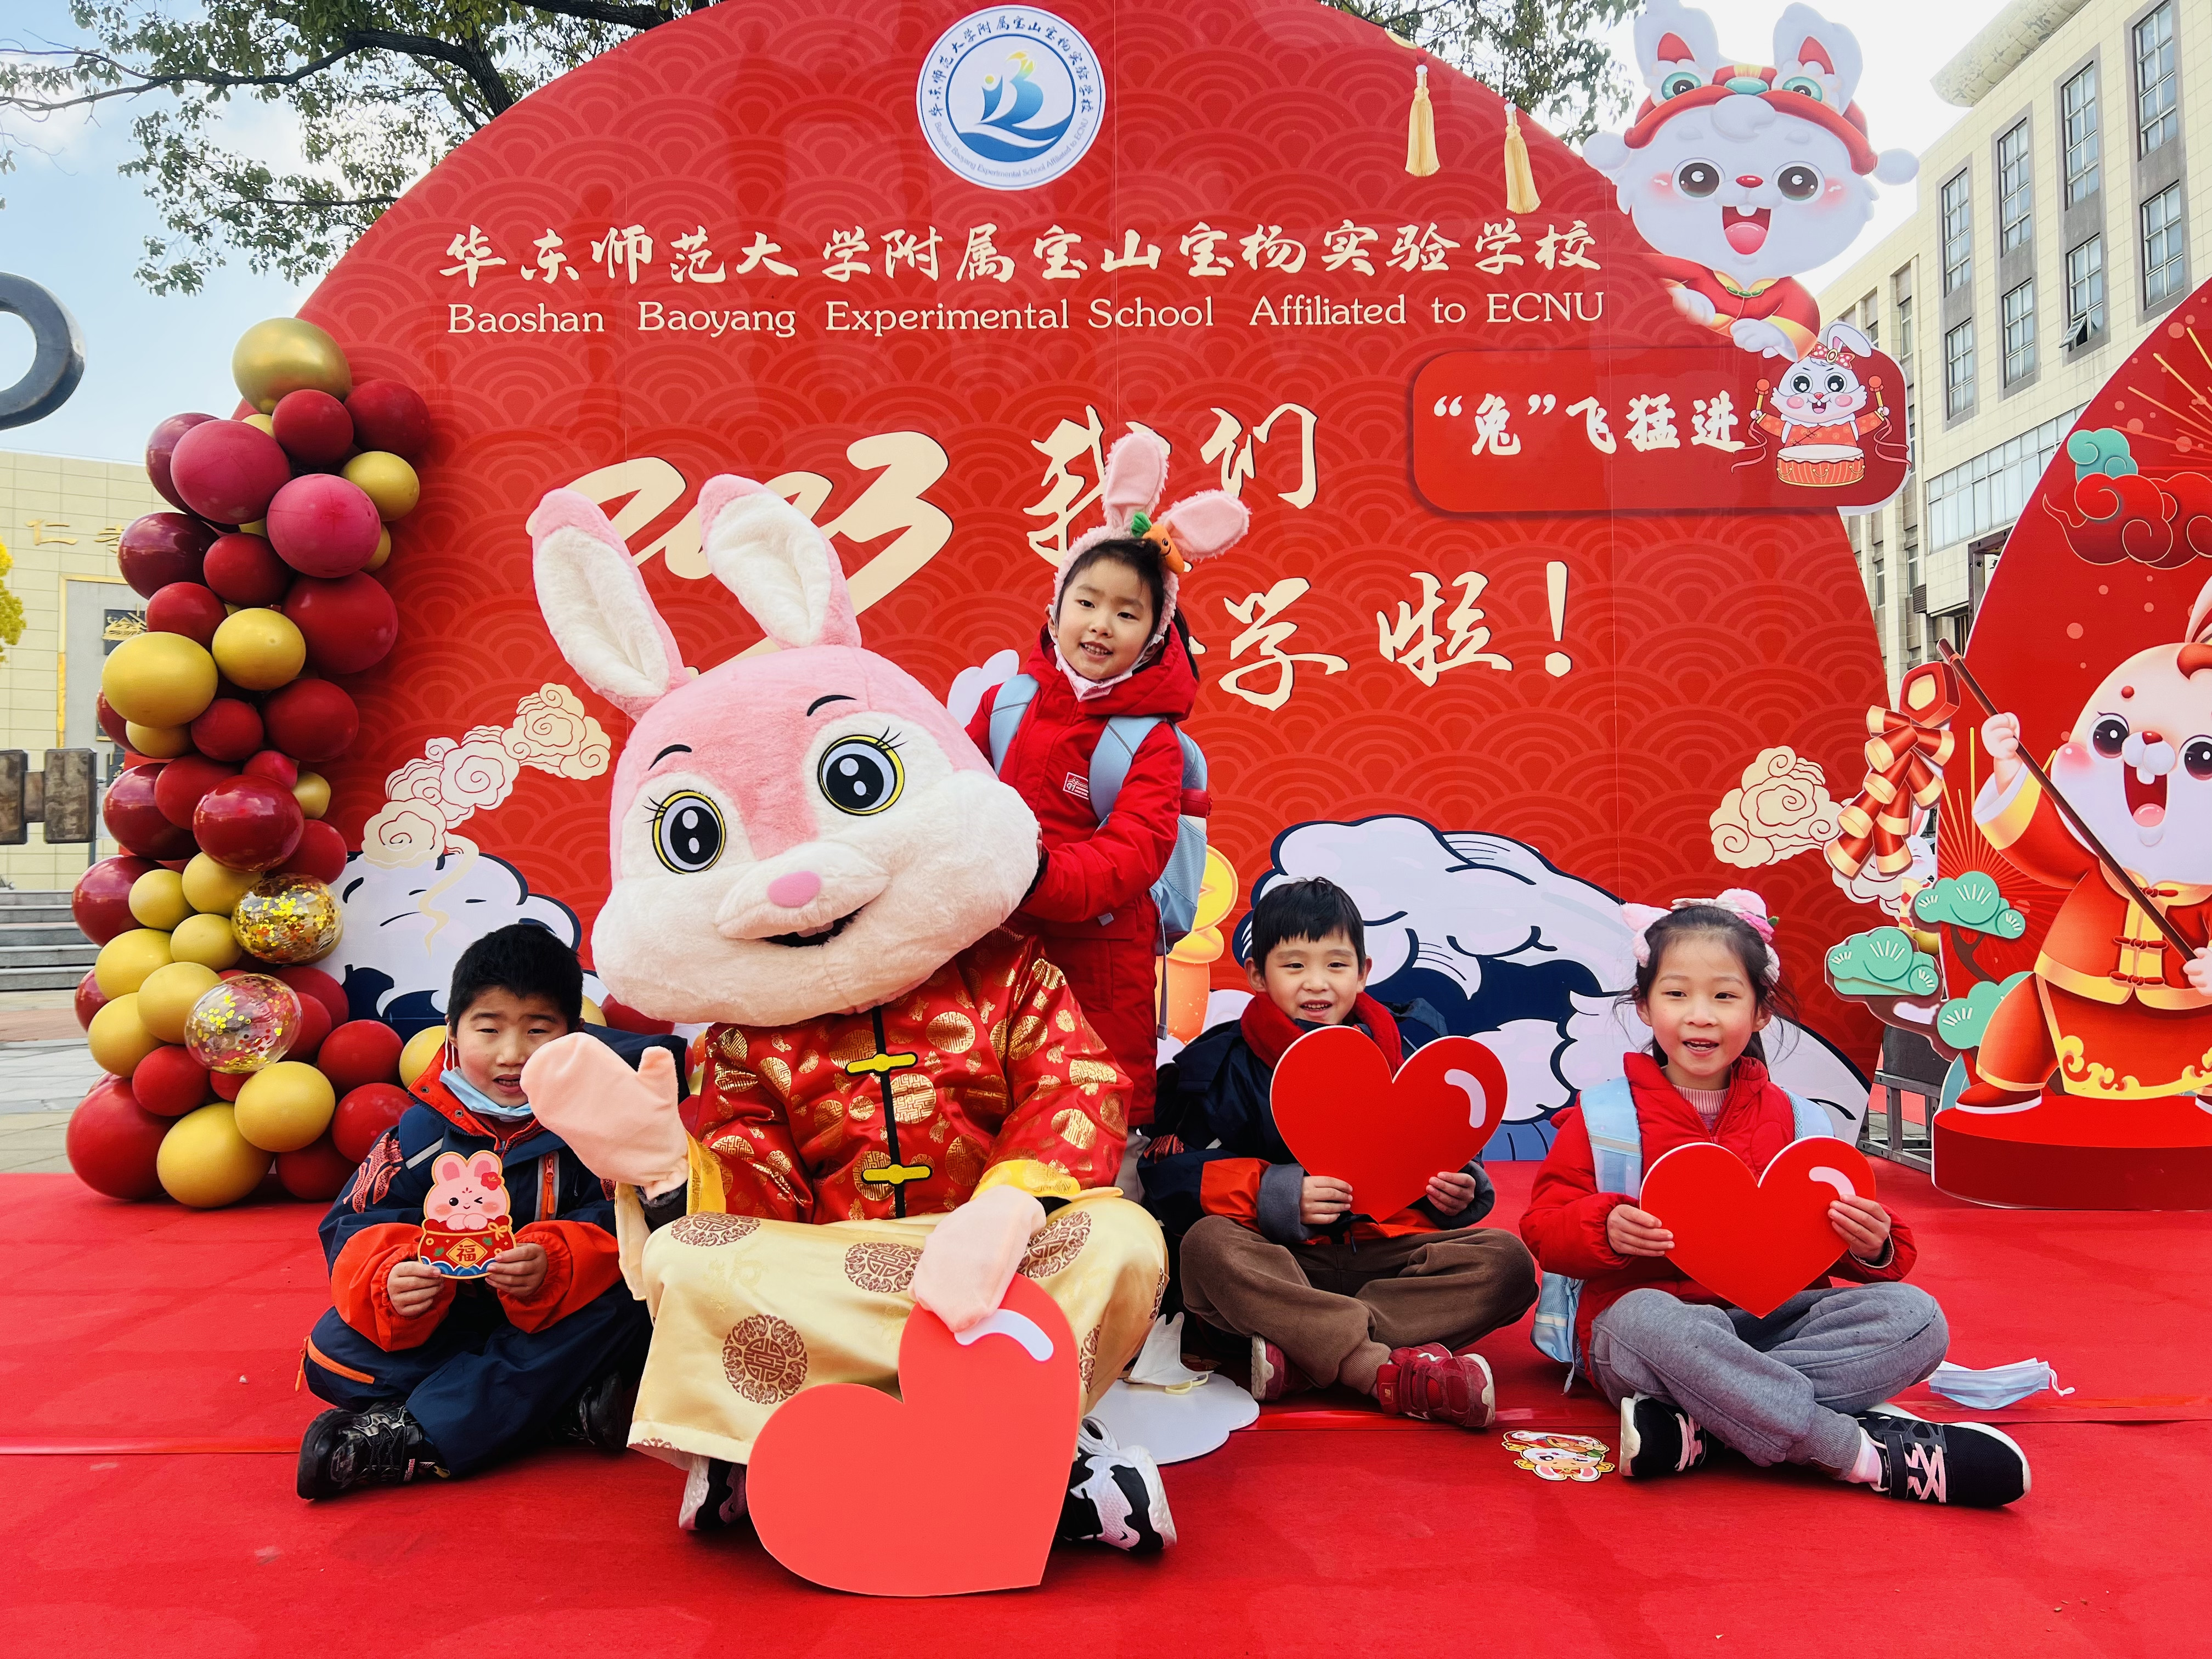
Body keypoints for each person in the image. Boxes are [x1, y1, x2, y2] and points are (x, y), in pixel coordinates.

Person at [1520, 892, 2032, 1506]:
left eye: (1725, 996)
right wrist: (1604, 1228)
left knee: (1916, 1317)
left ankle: (1707, 1427)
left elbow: (1826, 1243)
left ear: (1761, 1012)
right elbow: (1544, 1228)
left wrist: (1872, 1244)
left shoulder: (1803, 1122)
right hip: (1660, 1337)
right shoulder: (1606, 1114)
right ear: (1644, 1005)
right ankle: (1862, 1456)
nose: (1701, 1016)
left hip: (1777, 1327)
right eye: (1677, 994)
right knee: (1639, 1319)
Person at [1143, 877, 1538, 1426]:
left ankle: (1306, 1352)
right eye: (1294, 965)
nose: (1317, 984)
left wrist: (1458, 1191)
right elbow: (1166, 1176)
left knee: (1508, 1263)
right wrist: (1278, 1193)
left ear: (1364, 971)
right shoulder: (1220, 1065)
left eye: (1335, 965)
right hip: (1279, 1262)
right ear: (1258, 975)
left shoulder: (1408, 1050)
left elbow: (1436, 1151)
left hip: (1387, 1257)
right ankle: (1381, 1370)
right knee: (1207, 1248)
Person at [295, 924, 662, 1498]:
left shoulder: (605, 1126)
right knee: (330, 1355)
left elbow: (641, 1221)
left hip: (558, 1324)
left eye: (538, 1030)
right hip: (460, 1325)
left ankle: (418, 1437)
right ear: (452, 1033)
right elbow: (352, 1224)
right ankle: (557, 1409)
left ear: (573, 1036)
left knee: (626, 1310)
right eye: (488, 1029)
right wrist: (391, 1281)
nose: (512, 1054)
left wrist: (558, 1263)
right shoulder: (417, 1134)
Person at [966, 428, 1247, 1127]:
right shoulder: (1007, 701)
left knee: (1092, 1116)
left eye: (1128, 613)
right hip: (991, 945)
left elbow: (1133, 852)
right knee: (985, 1103)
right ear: (1055, 608)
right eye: (1087, 602)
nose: (1101, 625)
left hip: (1098, 965)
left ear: (1156, 633)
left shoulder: (1149, 739)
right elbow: (949, 796)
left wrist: (1035, 875)